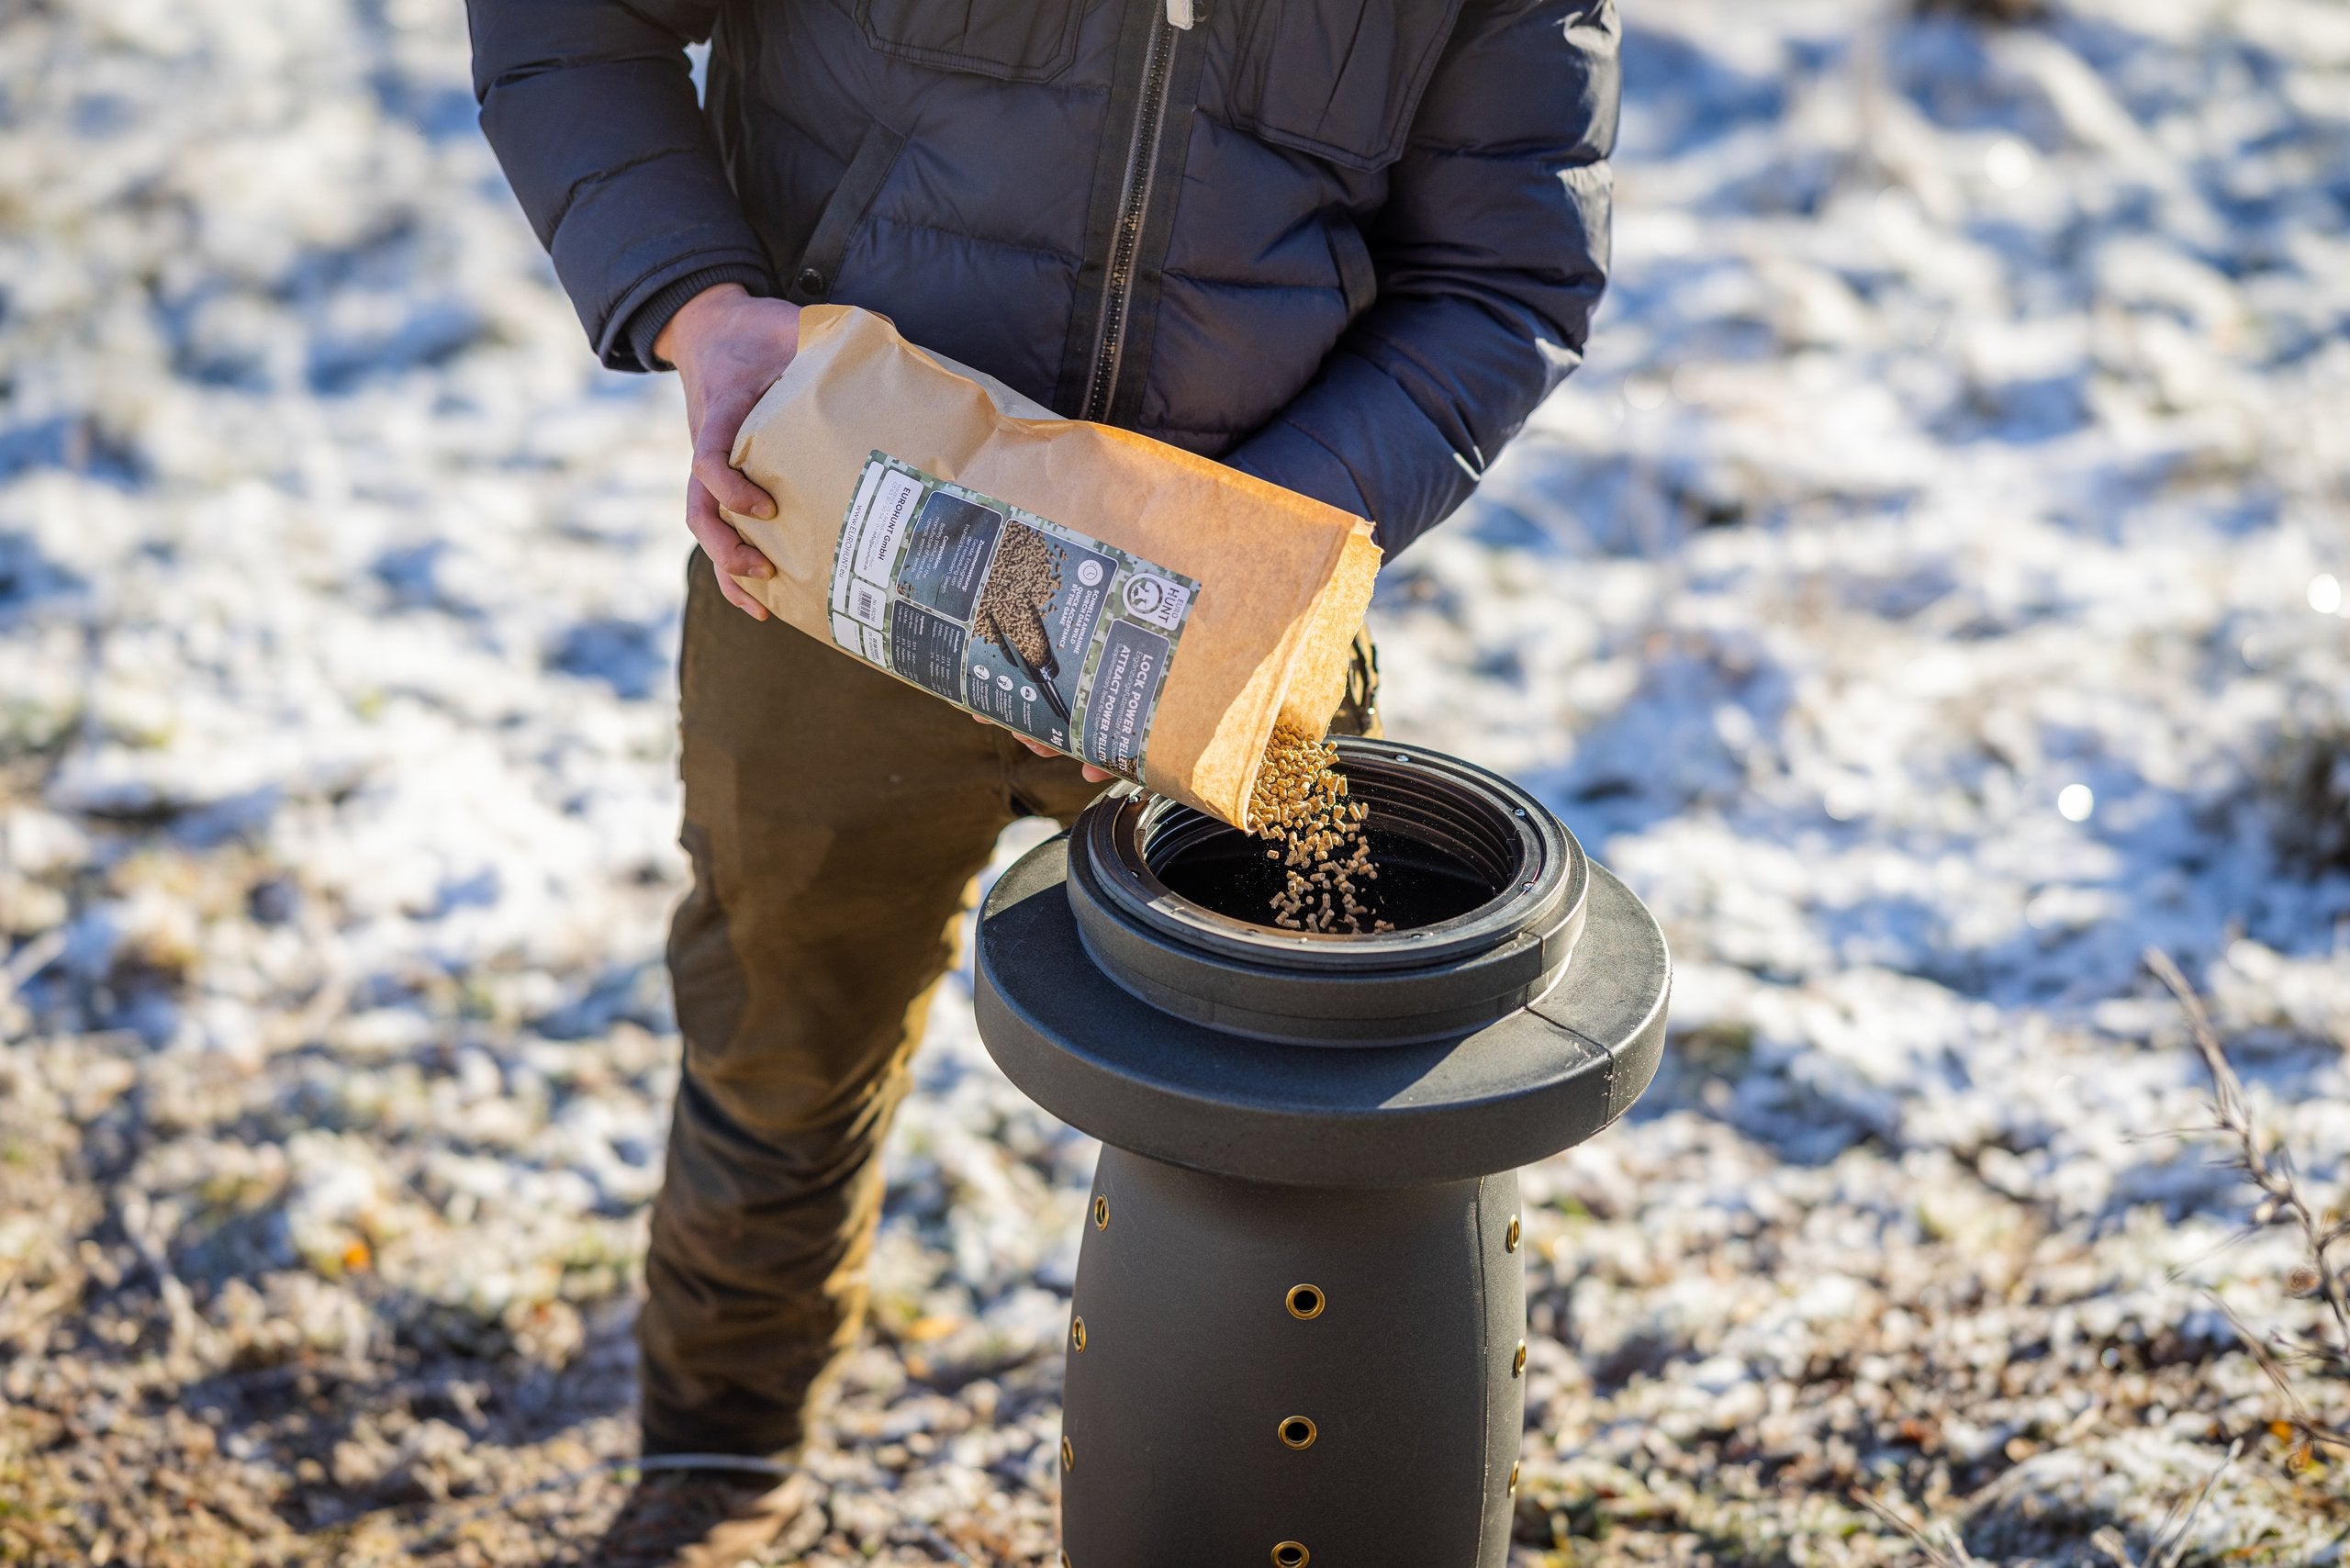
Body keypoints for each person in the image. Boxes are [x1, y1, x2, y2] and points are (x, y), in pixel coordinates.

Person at [466, 0, 1617, 1560]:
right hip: (832, 557)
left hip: (1219, 626)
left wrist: (1230, 560)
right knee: (777, 1037)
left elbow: (1506, 276)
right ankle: (719, 1461)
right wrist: (697, 303)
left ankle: (1280, 1511)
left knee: (1296, 1091)